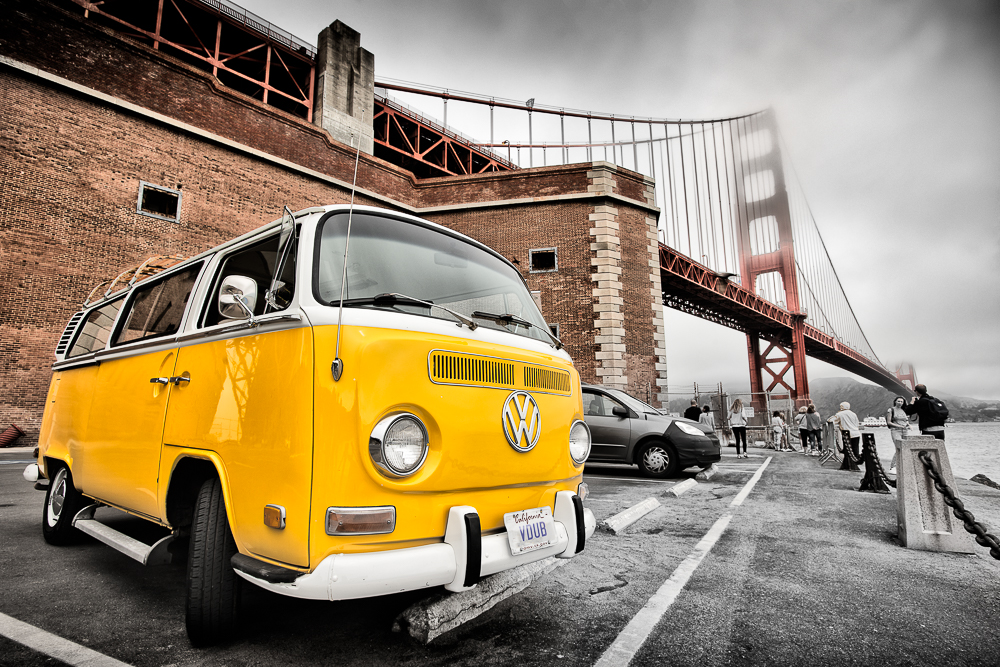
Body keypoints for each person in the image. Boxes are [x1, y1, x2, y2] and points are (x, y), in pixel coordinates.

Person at [831, 401, 861, 471]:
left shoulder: (840, 414)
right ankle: (854, 465)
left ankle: (847, 465)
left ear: (842, 407)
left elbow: (830, 420)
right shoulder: (853, 414)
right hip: (856, 433)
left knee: (847, 450)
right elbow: (857, 424)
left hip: (847, 434)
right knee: (855, 450)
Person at [886, 395, 911, 470]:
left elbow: (905, 420)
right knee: (898, 447)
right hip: (895, 430)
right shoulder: (891, 410)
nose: (900, 403)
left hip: (905, 431)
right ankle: (893, 466)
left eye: (902, 401)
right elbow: (889, 422)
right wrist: (899, 426)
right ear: (895, 402)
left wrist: (908, 425)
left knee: (905, 447)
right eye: (899, 401)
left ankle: (902, 465)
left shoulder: (903, 410)